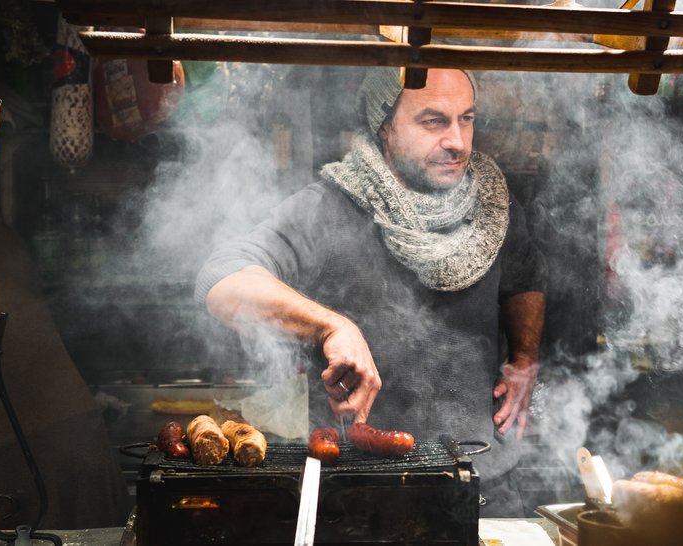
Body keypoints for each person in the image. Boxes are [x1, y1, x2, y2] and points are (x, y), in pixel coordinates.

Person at [195, 67, 546, 516]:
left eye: (467, 119)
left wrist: (525, 357)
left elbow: (526, 276)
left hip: (485, 478)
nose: (458, 141)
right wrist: (330, 326)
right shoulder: (327, 207)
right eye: (433, 121)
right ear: (384, 127)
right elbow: (221, 278)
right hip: (361, 490)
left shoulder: (493, 204)